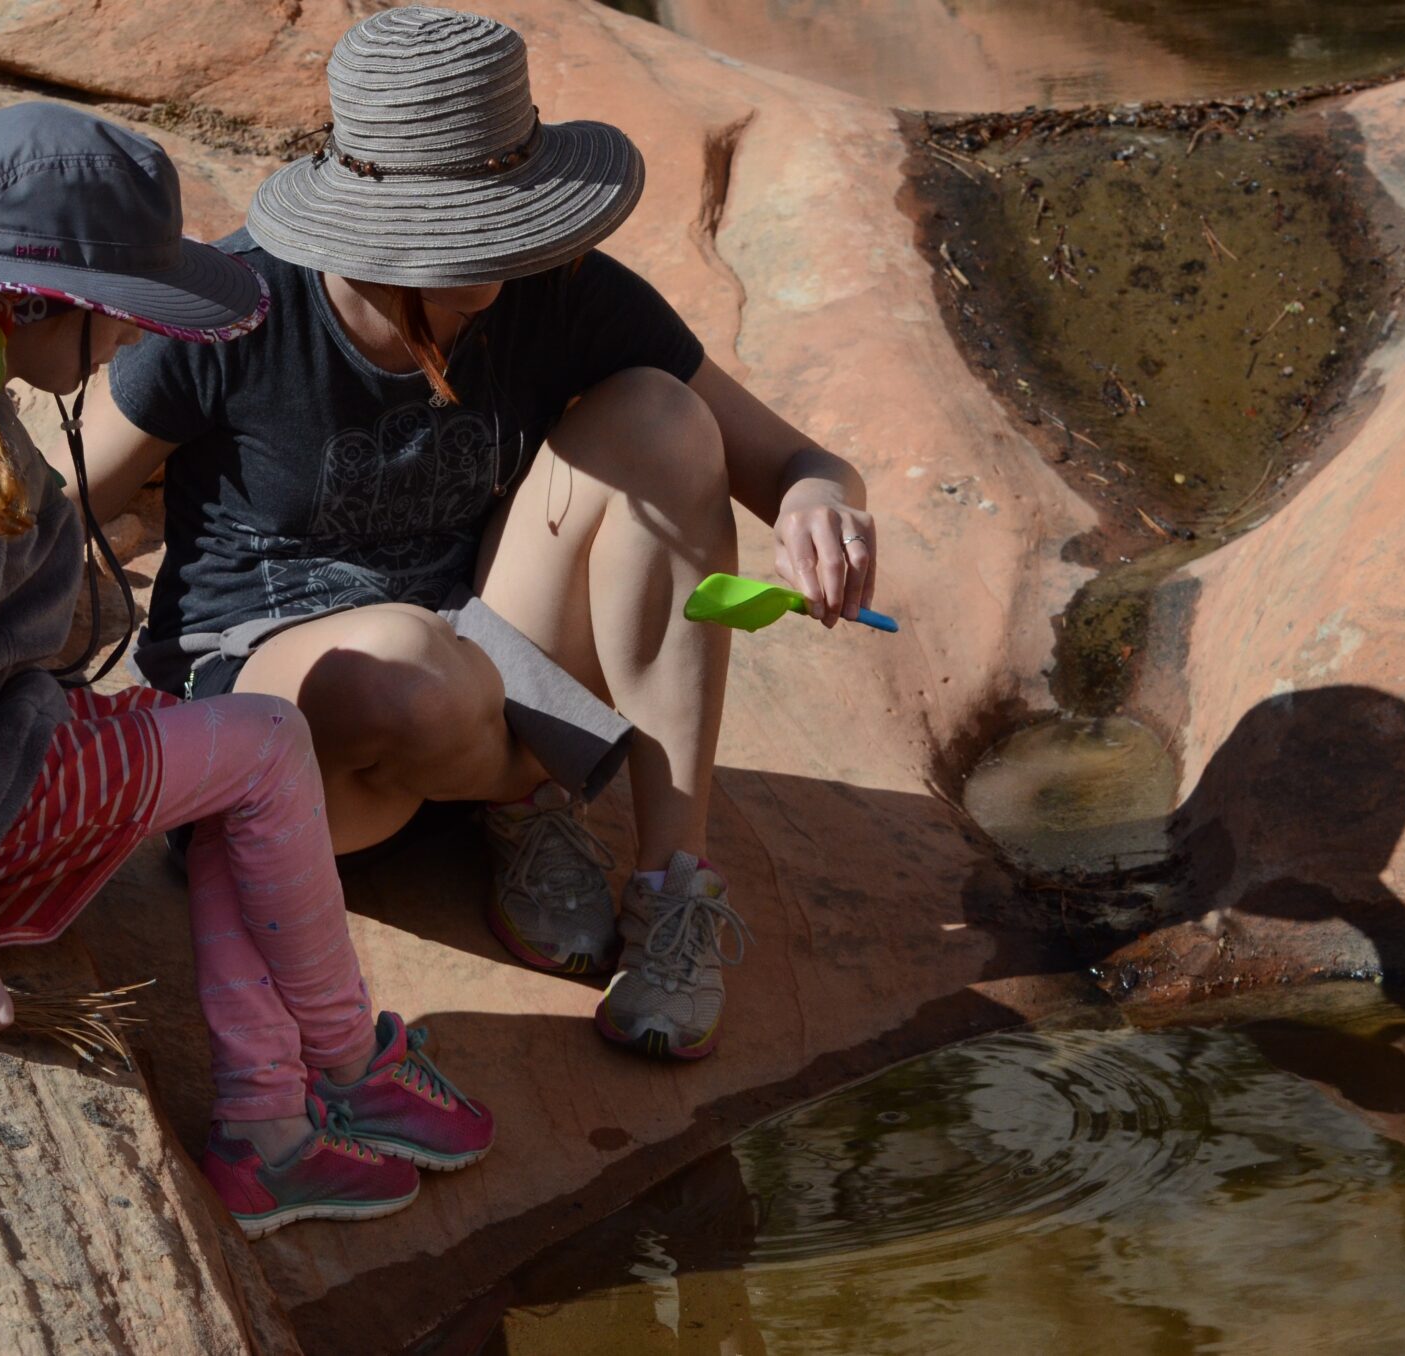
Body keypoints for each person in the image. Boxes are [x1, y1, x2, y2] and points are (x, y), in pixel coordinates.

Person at [0, 102, 490, 1237]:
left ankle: (277, 1110)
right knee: (267, 745)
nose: (123, 345)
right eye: (113, 316)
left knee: (221, 752)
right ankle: (325, 1081)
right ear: (29, 304)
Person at [78, 6, 879, 1061]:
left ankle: (665, 885)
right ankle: (528, 784)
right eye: (461, 229)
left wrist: (822, 503)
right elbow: (45, 509)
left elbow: (795, 463)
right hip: (297, 739)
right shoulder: (235, 309)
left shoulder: (560, 290)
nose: (497, 257)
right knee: (405, 663)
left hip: (488, 680)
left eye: (511, 216)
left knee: (663, 417)